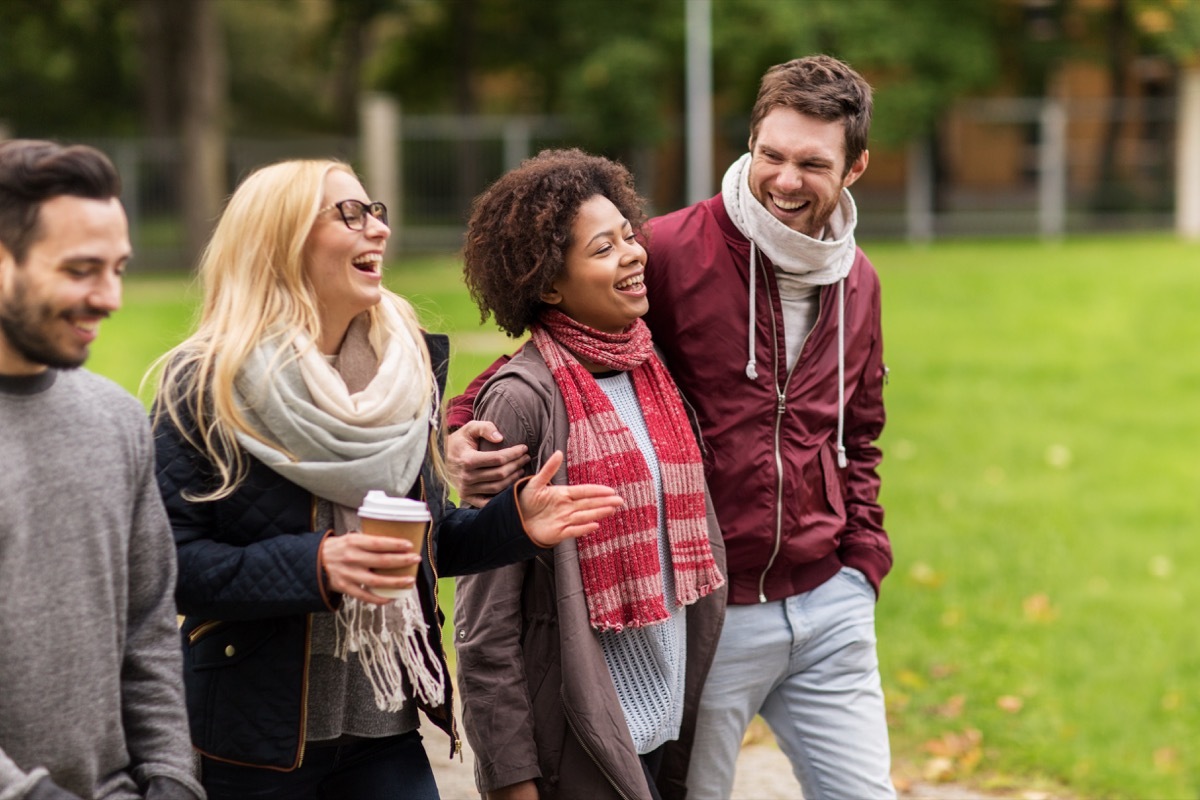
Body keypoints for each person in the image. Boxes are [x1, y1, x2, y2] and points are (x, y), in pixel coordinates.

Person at [447, 55, 894, 799]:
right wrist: (463, 425)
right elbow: (549, 341)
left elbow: (863, 429)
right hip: (714, 611)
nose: (785, 180)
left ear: (855, 168)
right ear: (751, 142)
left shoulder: (859, 279)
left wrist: (863, 560)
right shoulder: (671, 251)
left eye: (812, 163)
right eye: (771, 155)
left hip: (830, 601)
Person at [150, 159, 623, 800]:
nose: (376, 229)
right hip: (252, 741)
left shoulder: (403, 373)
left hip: (384, 724)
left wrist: (514, 524)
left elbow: (419, 543)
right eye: (349, 213)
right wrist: (316, 565)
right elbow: (169, 568)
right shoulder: (204, 384)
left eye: (375, 211)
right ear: (280, 238)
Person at [452, 149, 727, 800]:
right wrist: (512, 777)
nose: (633, 255)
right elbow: (486, 621)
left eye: (630, 237)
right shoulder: (523, 402)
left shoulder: (649, 366)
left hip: (662, 722)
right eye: (604, 249)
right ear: (549, 283)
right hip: (576, 739)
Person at [0, 139, 204, 800]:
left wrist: (173, 776)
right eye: (82, 269)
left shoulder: (115, 420)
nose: (110, 297)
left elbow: (146, 624)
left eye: (118, 268)